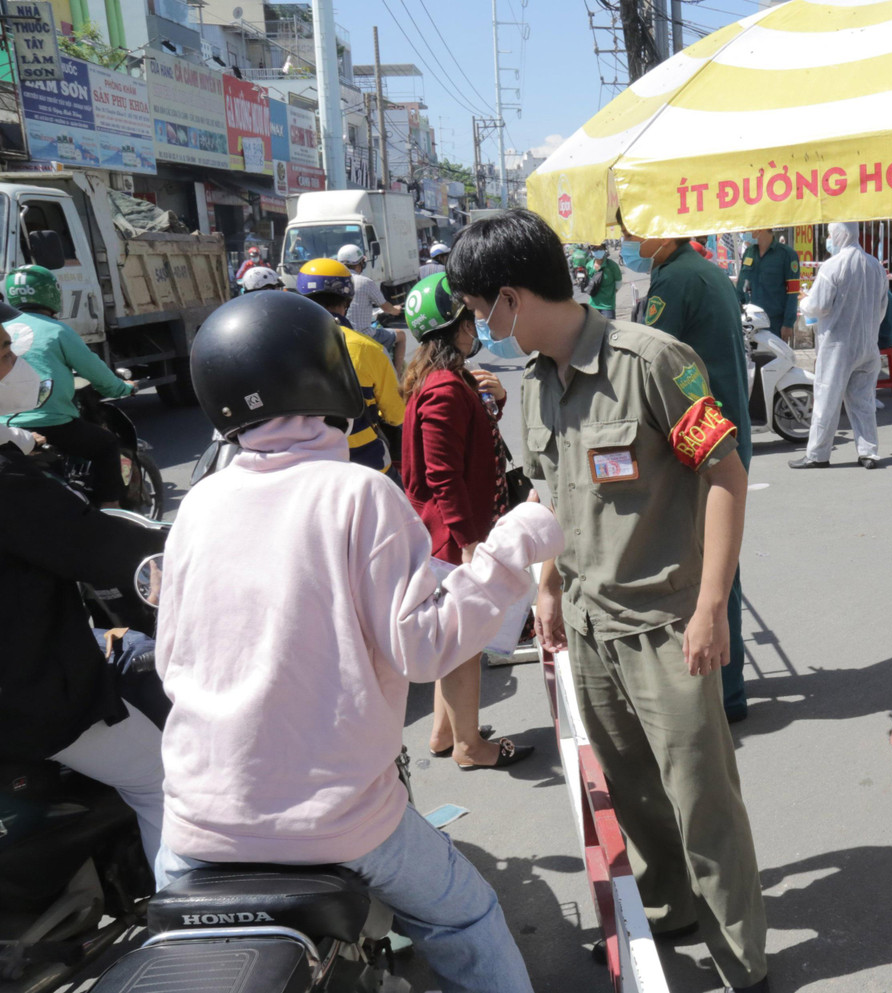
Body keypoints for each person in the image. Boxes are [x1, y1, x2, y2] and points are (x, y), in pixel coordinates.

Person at [155, 291, 559, 993]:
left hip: (193, 828)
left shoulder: (198, 506)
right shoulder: (358, 494)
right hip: (338, 820)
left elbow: (172, 659)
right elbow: (427, 646)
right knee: (468, 917)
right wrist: (512, 546)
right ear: (325, 379)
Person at [450, 210, 769, 993]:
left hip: (667, 625)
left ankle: (744, 962)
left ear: (512, 299)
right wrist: (549, 590)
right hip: (589, 627)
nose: (476, 325)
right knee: (628, 790)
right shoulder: (537, 386)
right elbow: (548, 490)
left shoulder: (649, 361)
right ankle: (668, 910)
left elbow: (724, 475)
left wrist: (710, 607)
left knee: (704, 802)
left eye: (478, 307)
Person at [0, 311, 167, 872]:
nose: (15, 368)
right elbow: (99, 546)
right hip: (27, 698)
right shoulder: (10, 486)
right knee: (168, 783)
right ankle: (199, 925)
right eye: (2, 356)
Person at [400, 272, 532, 770]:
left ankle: (441, 733)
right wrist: (470, 543)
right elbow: (442, 477)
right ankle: (470, 747)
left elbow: (468, 449)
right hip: (453, 539)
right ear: (450, 330)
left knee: (453, 640)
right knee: (466, 643)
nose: (474, 327)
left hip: (448, 535)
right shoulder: (444, 390)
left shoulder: (445, 383)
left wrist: (494, 401)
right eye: (467, 320)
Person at [622, 228, 753, 724]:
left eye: (631, 230)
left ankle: (723, 689)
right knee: (722, 562)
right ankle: (728, 683)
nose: (625, 240)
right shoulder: (700, 270)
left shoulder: (675, 281)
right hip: (723, 431)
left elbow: (646, 359)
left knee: (709, 569)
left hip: (701, 441)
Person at [0, 265, 134, 507]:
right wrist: (122, 388)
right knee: (107, 444)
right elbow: (97, 372)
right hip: (51, 426)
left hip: (5, 427)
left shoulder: (3, 329)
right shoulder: (57, 330)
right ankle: (112, 514)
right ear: (52, 294)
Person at [791, 222, 888, 470]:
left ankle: (817, 455)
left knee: (827, 399)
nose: (828, 239)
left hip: (838, 346)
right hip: (868, 345)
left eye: (830, 235)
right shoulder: (875, 266)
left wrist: (804, 302)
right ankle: (869, 453)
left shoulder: (833, 266)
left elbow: (818, 306)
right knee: (864, 401)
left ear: (838, 234)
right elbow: (882, 307)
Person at [298, 258, 404, 474]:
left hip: (305, 466)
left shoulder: (285, 345)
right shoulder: (369, 349)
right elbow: (396, 415)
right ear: (347, 300)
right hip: (365, 463)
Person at [339, 244, 405, 377]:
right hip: (364, 335)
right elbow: (385, 307)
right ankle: (398, 377)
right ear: (360, 263)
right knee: (402, 336)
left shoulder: (335, 281)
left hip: (340, 335)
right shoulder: (365, 282)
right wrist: (395, 310)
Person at [736, 229, 800, 343]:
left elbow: (793, 292)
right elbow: (741, 288)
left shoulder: (787, 255)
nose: (746, 232)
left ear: (760, 229)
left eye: (751, 227)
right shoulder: (749, 252)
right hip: (749, 323)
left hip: (774, 324)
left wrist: (788, 323)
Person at [582, 243, 622, 318]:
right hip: (593, 305)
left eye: (600, 249)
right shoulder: (589, 266)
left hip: (607, 306)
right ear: (591, 251)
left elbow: (618, 283)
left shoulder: (612, 265)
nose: (598, 251)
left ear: (604, 250)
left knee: (609, 328)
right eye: (595, 249)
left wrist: (609, 294)